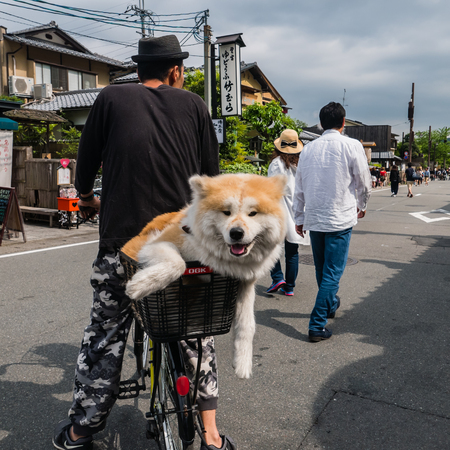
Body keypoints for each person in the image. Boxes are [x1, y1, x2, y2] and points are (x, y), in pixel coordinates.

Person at [53, 35, 235, 450]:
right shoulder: (194, 105)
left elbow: (86, 162)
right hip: (183, 245)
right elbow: (211, 178)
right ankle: (210, 434)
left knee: (105, 331)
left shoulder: (110, 100)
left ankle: (82, 430)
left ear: (139, 70)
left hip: (125, 245)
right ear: (175, 71)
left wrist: (86, 199)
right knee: (195, 332)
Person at [293, 102, 371, 342]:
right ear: (343, 122)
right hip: (339, 217)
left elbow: (300, 187)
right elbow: (363, 181)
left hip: (315, 218)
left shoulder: (308, 149)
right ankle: (317, 324)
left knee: (322, 269)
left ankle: (330, 304)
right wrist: (362, 204)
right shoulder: (351, 145)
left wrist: (299, 216)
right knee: (332, 273)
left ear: (320, 124)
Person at [266, 129, 310, 296]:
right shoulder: (301, 165)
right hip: (296, 211)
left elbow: (271, 189)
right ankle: (289, 287)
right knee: (292, 252)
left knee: (271, 247)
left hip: (278, 210)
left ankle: (277, 277)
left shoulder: (276, 164)